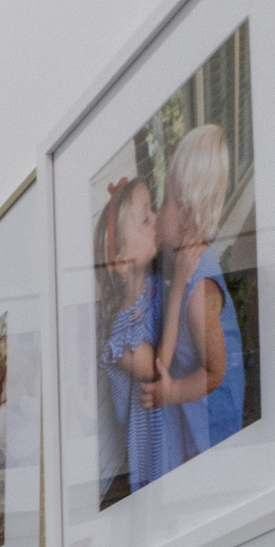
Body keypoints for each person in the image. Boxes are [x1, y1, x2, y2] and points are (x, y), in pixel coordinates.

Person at [141, 123, 245, 472]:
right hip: (196, 415)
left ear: (187, 211)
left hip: (213, 428)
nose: (157, 215)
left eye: (165, 201)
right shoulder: (186, 272)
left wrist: (172, 393)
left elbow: (215, 373)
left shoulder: (199, 294)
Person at [96, 174, 172, 499]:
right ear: (123, 263)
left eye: (152, 210)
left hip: (173, 425)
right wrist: (182, 287)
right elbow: (158, 366)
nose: (155, 218)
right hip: (153, 453)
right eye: (146, 218)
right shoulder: (120, 340)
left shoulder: (154, 286)